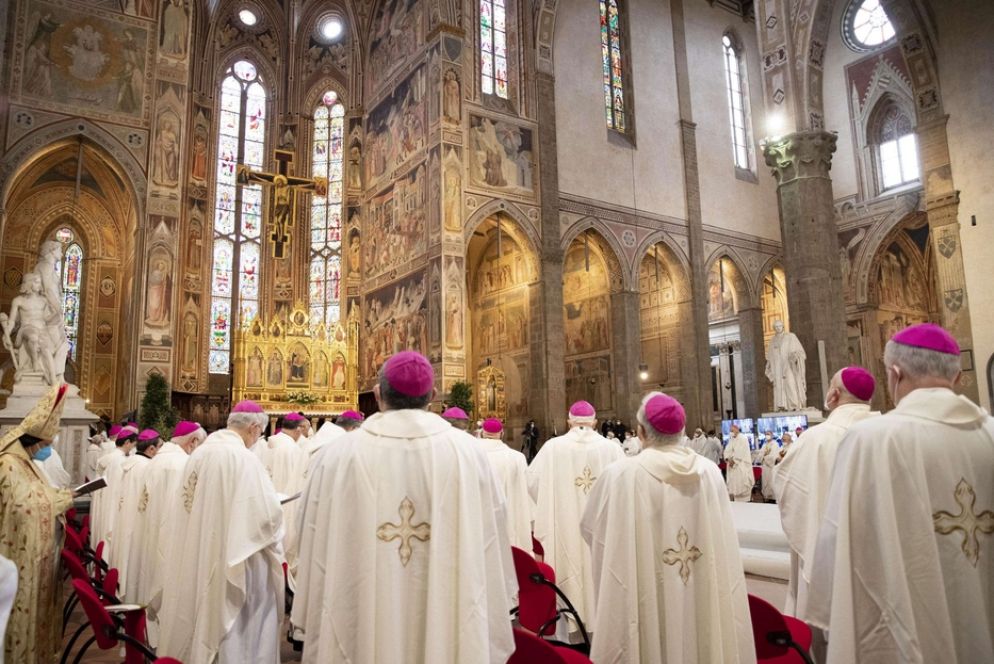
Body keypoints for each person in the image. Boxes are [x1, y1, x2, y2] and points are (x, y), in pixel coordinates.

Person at [292, 351, 514, 663]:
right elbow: (493, 535)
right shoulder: (469, 453)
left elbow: (311, 537)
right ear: (432, 396)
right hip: (448, 609)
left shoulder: (335, 456)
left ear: (377, 394)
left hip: (358, 614)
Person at [808, 324, 994, 663]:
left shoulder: (870, 439)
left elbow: (839, 539)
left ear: (895, 373)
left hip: (905, 627)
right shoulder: (990, 434)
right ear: (957, 377)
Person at [581, 393, 756, 663]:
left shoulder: (620, 475)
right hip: (701, 588)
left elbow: (592, 529)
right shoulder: (710, 473)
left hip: (643, 594)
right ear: (682, 431)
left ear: (641, 432)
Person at [158, 400, 283, 664]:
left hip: (198, 549)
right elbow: (264, 518)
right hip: (232, 557)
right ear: (253, 427)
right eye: (259, 433)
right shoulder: (244, 459)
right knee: (234, 629)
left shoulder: (199, 454)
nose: (257, 439)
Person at [772, 367, 877, 645]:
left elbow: (787, 485)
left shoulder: (816, 438)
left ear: (834, 395)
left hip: (827, 552)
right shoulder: (889, 433)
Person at [527, 400, 624, 640]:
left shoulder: (552, 448)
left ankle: (567, 633)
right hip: (601, 529)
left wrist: (553, 503)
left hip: (564, 525)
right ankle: (603, 630)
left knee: (566, 568)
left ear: (569, 422)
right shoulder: (611, 449)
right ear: (595, 422)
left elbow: (532, 482)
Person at [0, 384, 75, 664]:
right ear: (31, 441)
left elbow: (36, 494)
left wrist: (58, 497)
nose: (46, 450)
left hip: (35, 557)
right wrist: (62, 500)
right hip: (17, 557)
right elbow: (24, 507)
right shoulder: (9, 463)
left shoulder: (26, 462)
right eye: (44, 445)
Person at [128, 421, 205, 619]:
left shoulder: (156, 459)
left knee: (149, 570)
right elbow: (178, 509)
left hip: (149, 528)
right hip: (170, 535)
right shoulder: (181, 464)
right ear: (193, 441)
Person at [113, 429, 159, 598]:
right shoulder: (147, 467)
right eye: (159, 447)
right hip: (137, 520)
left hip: (125, 516)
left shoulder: (130, 462)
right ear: (151, 449)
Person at [265, 413, 309, 582]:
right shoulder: (293, 449)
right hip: (288, 501)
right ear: (298, 430)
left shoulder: (269, 443)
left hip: (270, 500)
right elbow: (297, 481)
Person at [479, 418, 533, 551]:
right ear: (502, 433)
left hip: (478, 517)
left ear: (482, 433)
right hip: (508, 518)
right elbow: (525, 490)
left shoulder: (469, 454)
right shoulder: (517, 458)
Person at [723, 424, 753, 502]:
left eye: (732, 430)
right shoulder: (731, 439)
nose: (731, 432)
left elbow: (740, 452)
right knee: (735, 489)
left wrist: (734, 460)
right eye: (730, 431)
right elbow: (727, 450)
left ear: (737, 429)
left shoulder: (743, 439)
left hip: (741, 466)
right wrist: (727, 458)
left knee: (742, 488)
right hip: (732, 466)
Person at [757, 431, 780, 501]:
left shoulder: (775, 444)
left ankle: (773, 498)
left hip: (771, 466)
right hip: (765, 466)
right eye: (766, 434)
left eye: (768, 434)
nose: (767, 435)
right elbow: (760, 455)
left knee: (771, 481)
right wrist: (763, 457)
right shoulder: (764, 445)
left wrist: (764, 457)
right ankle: (766, 497)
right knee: (765, 481)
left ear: (772, 435)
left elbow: (773, 456)